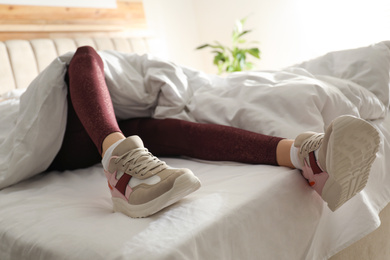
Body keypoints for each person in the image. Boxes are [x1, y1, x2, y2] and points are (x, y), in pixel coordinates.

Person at [46, 46, 380, 218]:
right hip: (62, 136)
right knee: (84, 54)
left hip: (107, 129)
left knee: (175, 132)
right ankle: (119, 164)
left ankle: (307, 156)